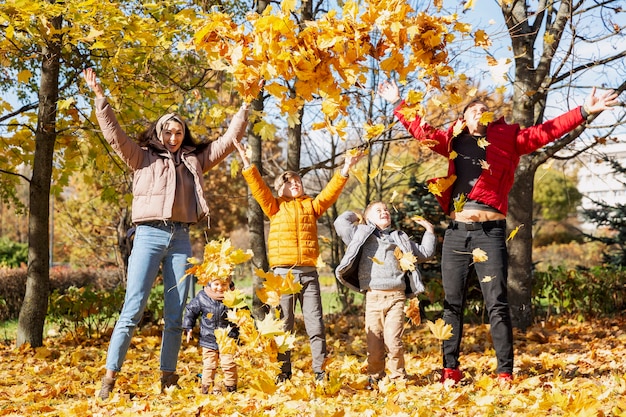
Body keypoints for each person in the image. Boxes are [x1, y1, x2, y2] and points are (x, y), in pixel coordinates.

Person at [378, 79, 619, 384]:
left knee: (497, 303)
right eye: (474, 109)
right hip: (455, 234)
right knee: (452, 304)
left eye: (486, 109)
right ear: (464, 118)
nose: (481, 112)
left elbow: (546, 132)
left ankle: (504, 371)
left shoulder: (508, 139)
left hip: (489, 234)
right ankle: (449, 370)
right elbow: (422, 130)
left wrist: (584, 110)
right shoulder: (452, 140)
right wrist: (398, 102)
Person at [83, 68, 249, 399]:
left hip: (181, 239)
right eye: (168, 132)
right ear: (159, 133)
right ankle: (109, 379)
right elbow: (114, 134)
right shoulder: (142, 157)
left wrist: (245, 104)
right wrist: (100, 98)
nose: (173, 137)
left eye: (178, 132)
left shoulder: (194, 161)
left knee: (175, 311)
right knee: (133, 308)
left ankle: (168, 378)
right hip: (148, 235)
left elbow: (229, 141)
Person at [232, 139, 363, 382]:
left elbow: (330, 192)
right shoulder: (274, 207)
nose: (295, 184)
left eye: (298, 181)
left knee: (316, 326)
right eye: (288, 181)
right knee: (284, 326)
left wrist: (345, 169)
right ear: (279, 188)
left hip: (309, 275)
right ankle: (283, 374)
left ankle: (320, 372)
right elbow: (258, 187)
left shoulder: (311, 207)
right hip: (283, 275)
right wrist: (247, 161)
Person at [334, 202, 436, 385]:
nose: (384, 212)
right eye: (378, 211)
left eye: (386, 210)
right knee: (374, 343)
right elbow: (340, 224)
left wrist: (429, 231)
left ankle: (398, 378)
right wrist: (356, 215)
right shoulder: (360, 235)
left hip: (397, 297)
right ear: (368, 218)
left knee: (393, 340)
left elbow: (425, 253)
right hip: (373, 297)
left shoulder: (400, 238)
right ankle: (375, 377)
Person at [183, 277, 239, 394]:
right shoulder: (203, 296)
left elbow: (244, 314)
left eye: (224, 284)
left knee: (228, 364)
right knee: (209, 365)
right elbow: (191, 311)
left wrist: (247, 329)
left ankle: (231, 387)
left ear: (229, 283)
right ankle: (206, 388)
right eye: (216, 284)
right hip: (209, 338)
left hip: (228, 339)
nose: (220, 288)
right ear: (210, 282)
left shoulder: (234, 297)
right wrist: (188, 327)